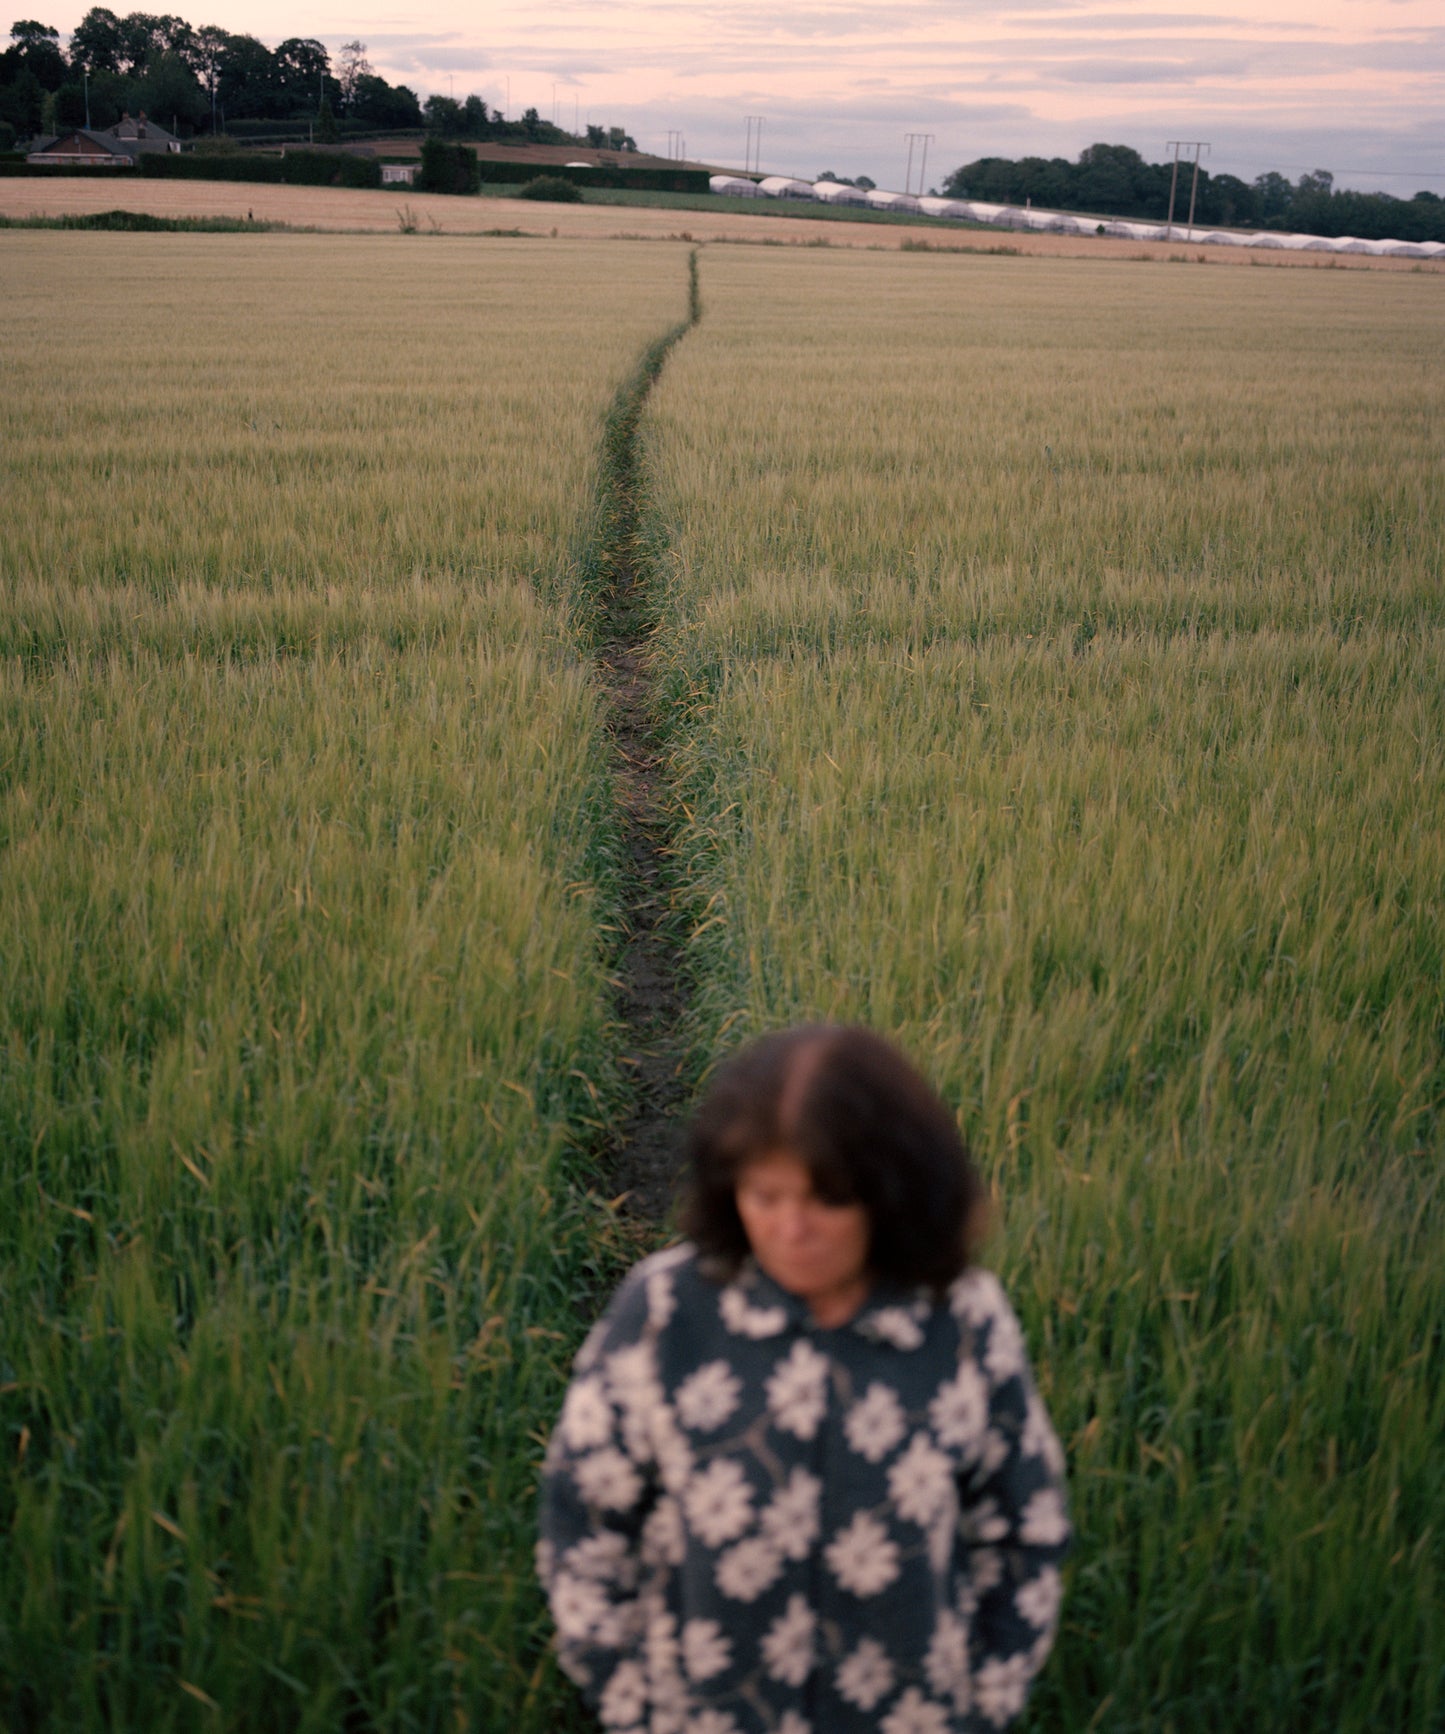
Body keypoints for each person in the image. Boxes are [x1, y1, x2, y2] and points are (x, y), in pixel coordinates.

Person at [537, 1026, 1070, 1733]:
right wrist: (628, 1700)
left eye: (826, 1199)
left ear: (894, 1189)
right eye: (764, 1195)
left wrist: (985, 1697)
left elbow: (1024, 1525)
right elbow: (583, 1515)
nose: (791, 1228)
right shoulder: (666, 1311)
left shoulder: (961, 1319)